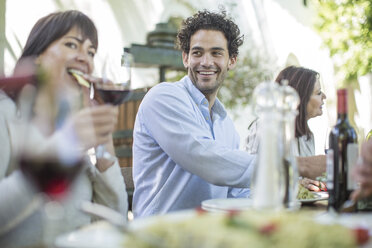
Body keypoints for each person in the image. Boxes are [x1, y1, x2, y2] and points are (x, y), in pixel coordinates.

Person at [0, 10, 128, 247]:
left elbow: (115, 217)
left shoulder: (69, 125)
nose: (85, 59)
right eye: (72, 45)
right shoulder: (5, 112)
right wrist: (64, 144)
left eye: (91, 52)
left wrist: (103, 139)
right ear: (37, 56)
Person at [132, 10, 256, 218]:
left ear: (232, 61)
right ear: (185, 58)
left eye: (216, 53)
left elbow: (238, 195)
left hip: (206, 236)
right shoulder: (163, 97)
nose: (206, 62)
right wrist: (287, 168)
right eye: (197, 53)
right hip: (157, 237)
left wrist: (284, 191)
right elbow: (203, 156)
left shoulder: (226, 125)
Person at [245, 66, 327, 191]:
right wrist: (296, 184)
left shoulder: (307, 136)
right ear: (301, 98)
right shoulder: (265, 128)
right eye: (319, 93)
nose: (324, 97)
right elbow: (252, 177)